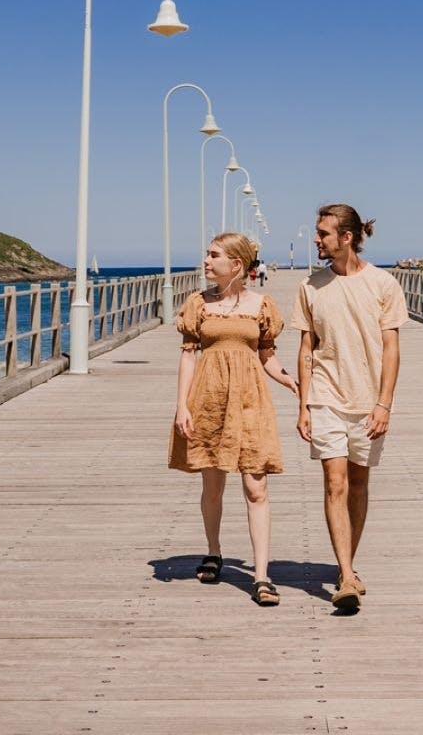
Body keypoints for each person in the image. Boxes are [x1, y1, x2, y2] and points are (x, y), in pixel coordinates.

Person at [169, 233, 298, 605]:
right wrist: (182, 405)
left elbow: (267, 355)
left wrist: (289, 380)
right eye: (207, 254)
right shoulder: (198, 304)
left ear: (236, 264)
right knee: (212, 486)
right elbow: (188, 355)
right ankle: (213, 550)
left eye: (213, 256)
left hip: (250, 401)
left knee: (256, 487)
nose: (206, 261)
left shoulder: (262, 305)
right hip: (208, 399)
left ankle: (261, 576)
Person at [295, 203, 406, 614]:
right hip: (326, 395)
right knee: (334, 482)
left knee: (358, 484)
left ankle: (349, 564)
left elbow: (392, 348)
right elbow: (307, 348)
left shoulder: (382, 284)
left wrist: (384, 404)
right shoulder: (310, 287)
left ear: (346, 237)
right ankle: (344, 575)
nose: (316, 239)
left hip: (368, 401)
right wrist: (305, 404)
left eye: (323, 233)